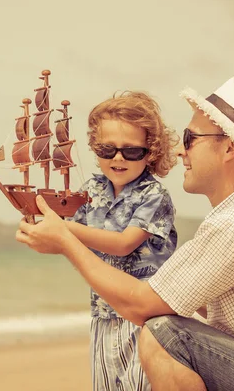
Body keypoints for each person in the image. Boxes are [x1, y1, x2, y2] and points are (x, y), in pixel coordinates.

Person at [16, 77, 234, 390]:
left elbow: (140, 305)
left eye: (190, 138)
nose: (178, 149)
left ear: (230, 147)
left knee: (165, 333)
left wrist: (65, 240)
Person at [65, 91, 178, 391]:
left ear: (150, 152)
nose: (118, 158)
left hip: (146, 320)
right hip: (103, 315)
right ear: (95, 148)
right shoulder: (90, 190)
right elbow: (72, 241)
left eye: (131, 151)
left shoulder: (154, 195)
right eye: (107, 149)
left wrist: (64, 232)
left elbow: (123, 243)